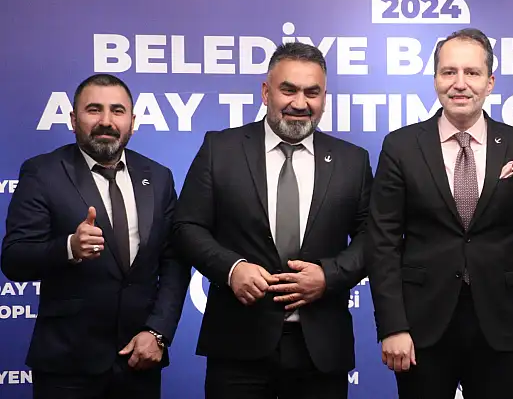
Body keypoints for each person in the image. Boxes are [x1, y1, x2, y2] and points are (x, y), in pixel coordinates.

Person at [365, 28, 513, 399]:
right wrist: (392, 326)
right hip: (421, 326)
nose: (460, 83)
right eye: (449, 72)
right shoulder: (400, 146)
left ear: (490, 82)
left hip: (503, 325)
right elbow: (383, 242)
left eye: (471, 72)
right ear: (435, 79)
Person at [172, 42, 372, 399]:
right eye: (288, 90)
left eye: (312, 92)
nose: (300, 103)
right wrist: (232, 269)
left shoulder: (352, 161)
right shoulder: (220, 149)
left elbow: (373, 237)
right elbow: (186, 226)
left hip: (321, 349)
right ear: (266, 92)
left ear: (324, 98)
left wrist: (329, 276)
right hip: (237, 345)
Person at [1, 74, 191, 399]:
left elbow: (174, 261)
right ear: (73, 120)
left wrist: (158, 332)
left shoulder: (158, 177)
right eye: (94, 109)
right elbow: (15, 258)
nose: (106, 121)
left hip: (139, 358)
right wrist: (69, 248)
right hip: (67, 363)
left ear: (133, 122)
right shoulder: (43, 172)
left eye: (117, 110)